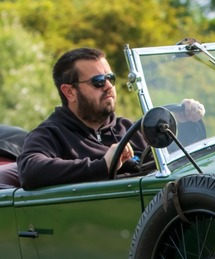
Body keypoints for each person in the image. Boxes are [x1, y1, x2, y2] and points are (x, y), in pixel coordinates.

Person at [18, 47, 205, 190]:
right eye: (98, 81)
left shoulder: (129, 128)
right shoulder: (51, 134)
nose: (108, 86)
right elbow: (30, 170)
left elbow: (182, 162)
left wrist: (187, 121)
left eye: (111, 78)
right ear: (70, 92)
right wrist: (103, 165)